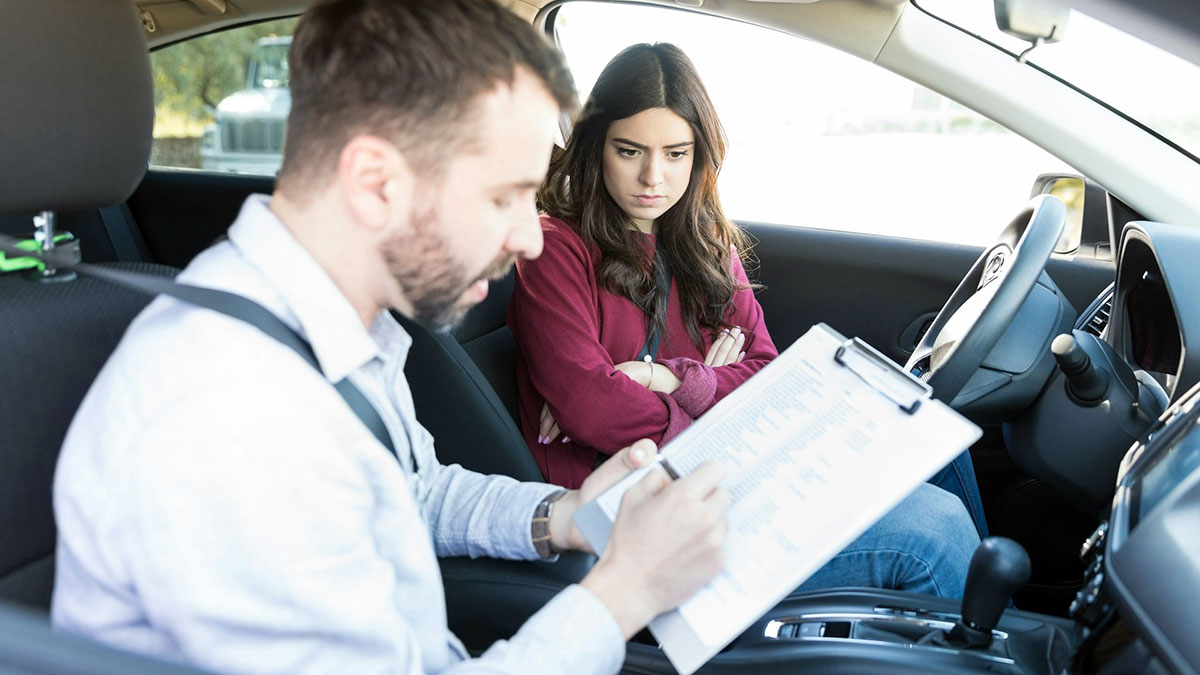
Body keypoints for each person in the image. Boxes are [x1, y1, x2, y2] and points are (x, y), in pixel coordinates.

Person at [51, 2, 732, 674]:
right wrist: (627, 592)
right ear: (376, 183)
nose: (529, 237)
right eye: (504, 197)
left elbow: (415, 491)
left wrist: (567, 513)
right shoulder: (234, 414)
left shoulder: (333, 325)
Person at [508, 42, 984, 596]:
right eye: (629, 150)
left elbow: (765, 372)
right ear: (597, 147)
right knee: (935, 533)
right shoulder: (556, 247)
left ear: (699, 154)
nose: (652, 178)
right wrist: (710, 412)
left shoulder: (703, 240)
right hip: (640, 502)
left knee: (936, 441)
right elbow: (592, 406)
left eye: (676, 154)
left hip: (731, 466)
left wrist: (669, 378)